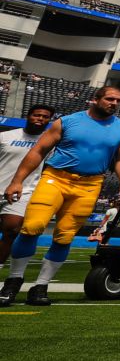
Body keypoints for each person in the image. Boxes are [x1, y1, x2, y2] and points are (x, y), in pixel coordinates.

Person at [0, 86, 120, 307]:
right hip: (55, 178)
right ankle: (13, 282)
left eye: (119, 100)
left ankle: (41, 286)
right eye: (110, 99)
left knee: (65, 236)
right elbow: (38, 151)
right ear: (96, 99)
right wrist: (17, 181)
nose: (114, 103)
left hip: (90, 184)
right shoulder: (68, 121)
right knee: (32, 226)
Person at [0, 104, 54, 296]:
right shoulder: (6, 136)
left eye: (45, 117)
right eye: (37, 115)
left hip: (23, 192)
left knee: (12, 229)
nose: (40, 118)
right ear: (28, 116)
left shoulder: (49, 143)